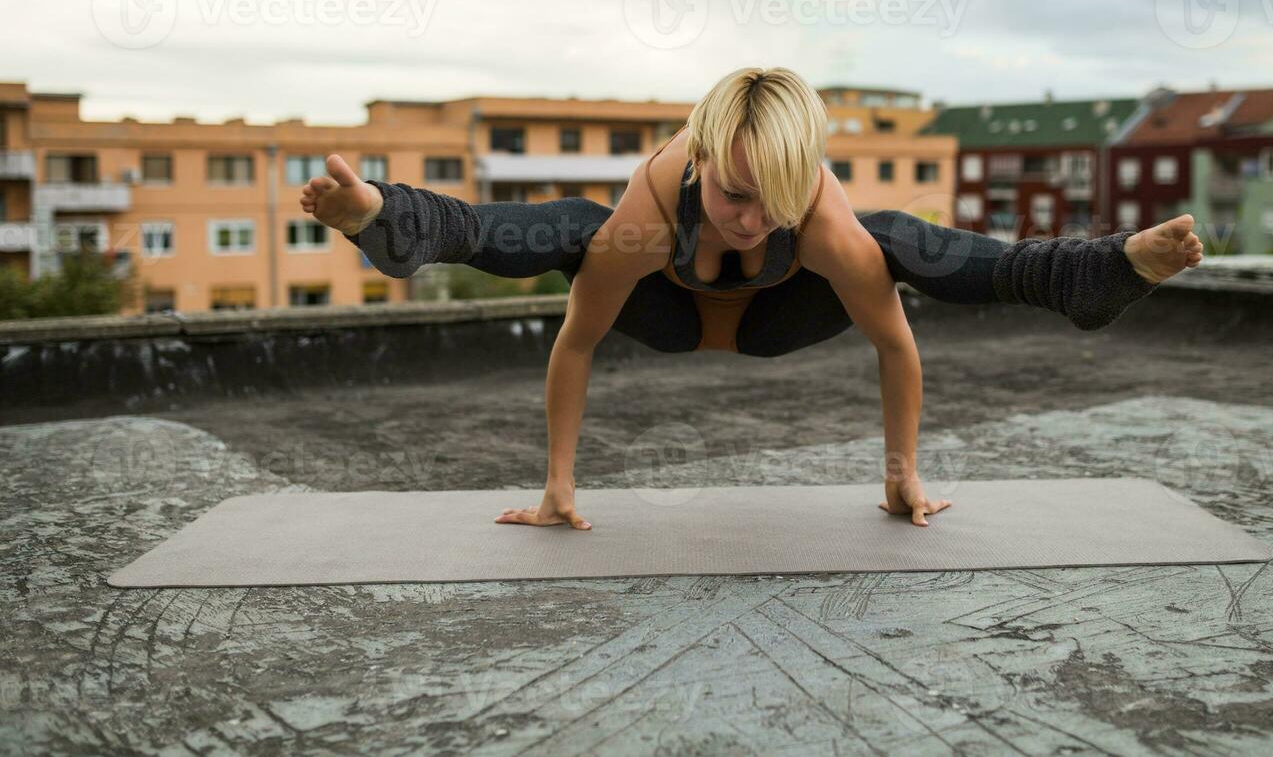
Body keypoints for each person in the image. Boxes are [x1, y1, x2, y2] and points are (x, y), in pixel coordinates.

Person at [300, 67, 1203, 531]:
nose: (753, 216)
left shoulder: (818, 218)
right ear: (697, 164)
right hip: (670, 316)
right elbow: (576, 344)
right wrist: (557, 489)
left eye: (775, 196)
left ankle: (1090, 276)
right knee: (569, 226)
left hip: (777, 324)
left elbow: (894, 345)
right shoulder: (648, 215)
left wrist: (900, 480)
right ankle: (394, 221)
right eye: (735, 195)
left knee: (892, 236)